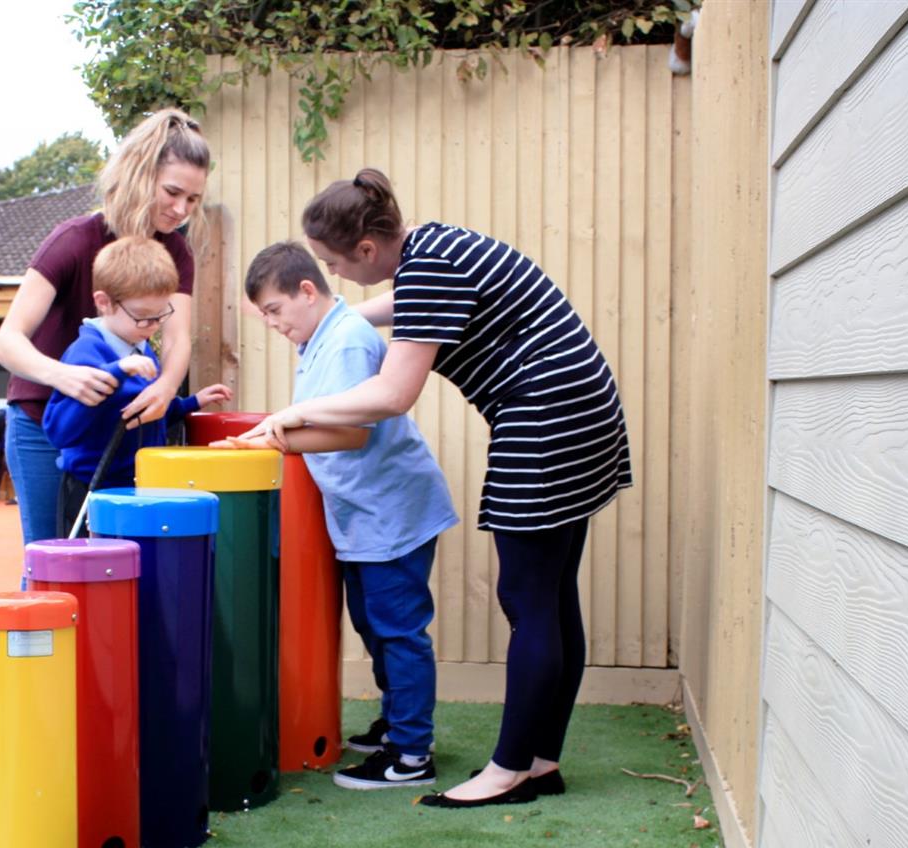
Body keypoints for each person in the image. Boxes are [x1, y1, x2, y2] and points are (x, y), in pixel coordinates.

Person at [240, 169, 633, 808]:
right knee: (554, 596)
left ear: (368, 250)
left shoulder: (428, 270)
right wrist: (329, 325)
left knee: (528, 598)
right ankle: (541, 761)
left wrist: (291, 418)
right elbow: (379, 310)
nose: (336, 274)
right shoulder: (435, 247)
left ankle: (507, 772)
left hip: (547, 416)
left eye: (339, 262)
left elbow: (394, 395)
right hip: (582, 407)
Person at [225, 241, 458, 790]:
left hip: (391, 515)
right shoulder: (320, 339)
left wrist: (273, 442)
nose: (273, 325)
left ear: (307, 291)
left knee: (398, 632)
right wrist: (273, 434)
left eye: (276, 311)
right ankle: (396, 725)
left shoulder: (347, 340)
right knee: (375, 627)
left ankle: (411, 753)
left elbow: (353, 432)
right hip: (365, 517)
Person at [0, 108, 211, 546]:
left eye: (193, 199)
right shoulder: (74, 240)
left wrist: (167, 387)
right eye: (172, 192)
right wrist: (64, 376)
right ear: (138, 173)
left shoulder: (177, 253)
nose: (181, 210)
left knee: (111, 558)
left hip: (113, 432)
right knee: (50, 557)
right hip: (42, 422)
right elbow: (7, 342)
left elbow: (177, 336)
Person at [43, 236, 232, 537]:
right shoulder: (86, 353)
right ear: (104, 302)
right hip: (92, 491)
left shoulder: (139, 347)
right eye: (143, 317)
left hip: (137, 486)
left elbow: (145, 412)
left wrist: (189, 403)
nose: (153, 326)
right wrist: (115, 373)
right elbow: (59, 430)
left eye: (160, 315)